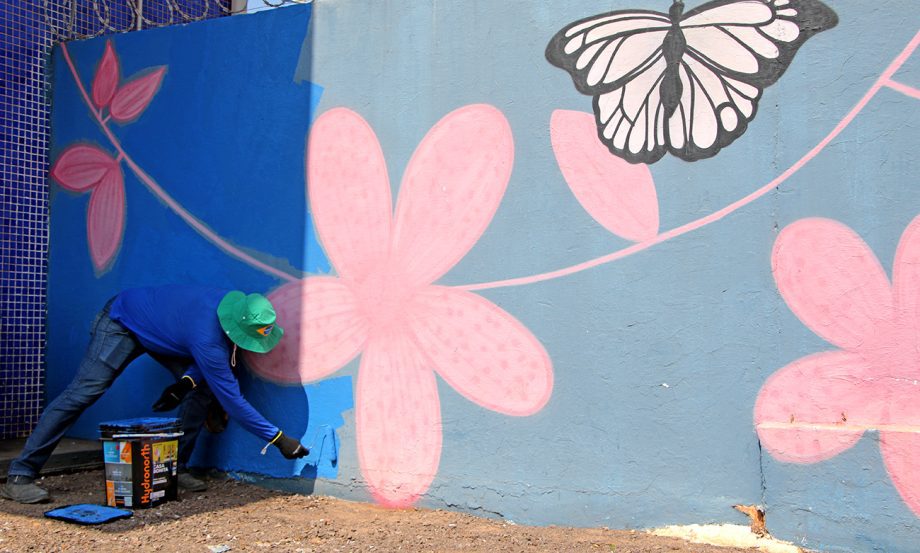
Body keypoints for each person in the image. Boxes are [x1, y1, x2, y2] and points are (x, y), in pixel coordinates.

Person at [1, 285, 308, 504]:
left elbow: (208, 356)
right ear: (235, 327)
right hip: (121, 321)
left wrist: (185, 383)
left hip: (163, 332)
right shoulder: (208, 335)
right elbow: (231, 398)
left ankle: (179, 467)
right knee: (84, 392)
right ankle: (21, 474)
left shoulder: (230, 312)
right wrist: (279, 439)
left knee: (201, 391)